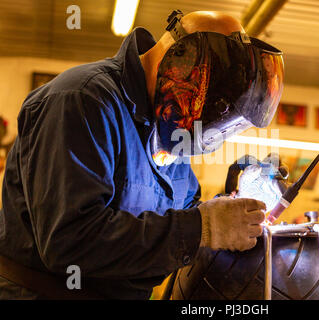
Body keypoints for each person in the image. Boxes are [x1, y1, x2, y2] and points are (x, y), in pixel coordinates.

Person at [0, 10, 284, 299]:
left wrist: (234, 211)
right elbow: (69, 242)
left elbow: (185, 211)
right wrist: (205, 227)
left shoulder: (168, 129)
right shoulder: (82, 100)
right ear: (182, 64)